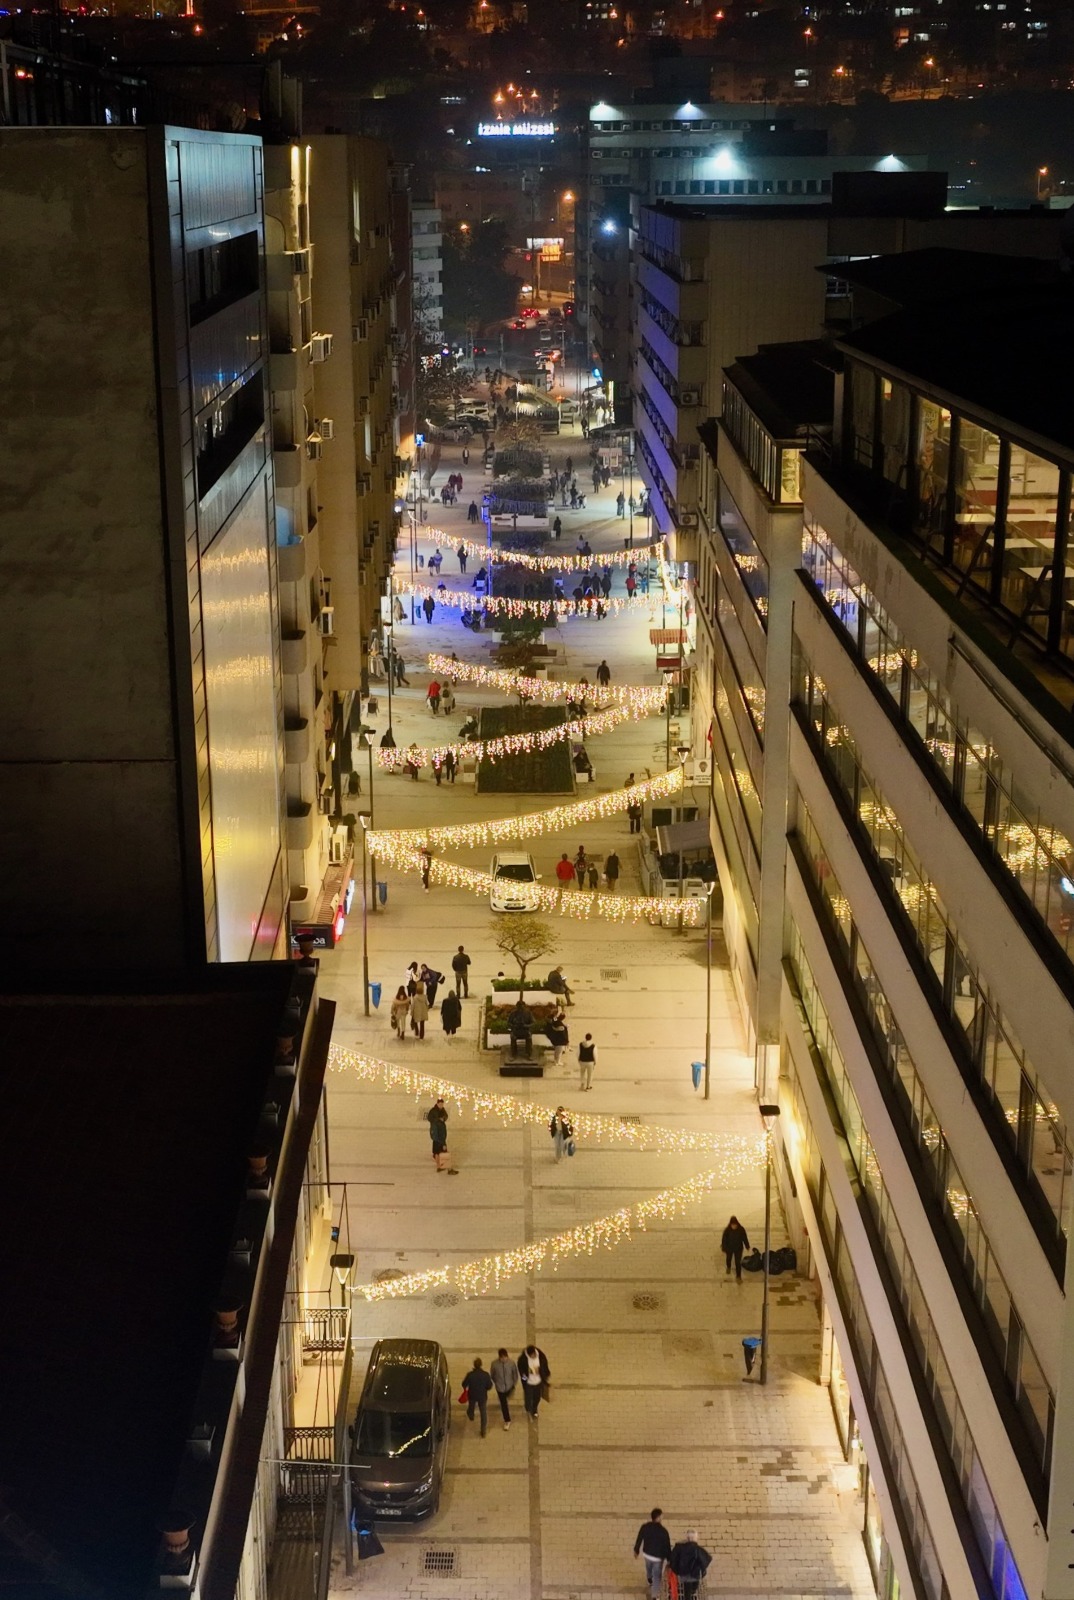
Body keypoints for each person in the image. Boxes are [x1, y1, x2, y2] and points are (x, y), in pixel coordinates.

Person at [634, 1510, 673, 1600]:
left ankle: (649, 1578)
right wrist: (669, 1559)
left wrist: (636, 1550)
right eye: (661, 1516)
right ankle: (654, 1596)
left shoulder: (645, 1527)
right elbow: (667, 1546)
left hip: (647, 1554)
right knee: (657, 1577)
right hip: (658, 1558)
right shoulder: (663, 1531)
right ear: (658, 1517)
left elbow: (639, 1538)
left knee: (648, 1566)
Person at [669, 1531, 712, 1600]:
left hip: (683, 1574)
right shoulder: (698, 1549)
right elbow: (707, 1559)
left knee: (686, 1592)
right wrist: (702, 1569)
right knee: (693, 1590)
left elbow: (672, 1559)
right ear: (695, 1538)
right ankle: (693, 1593)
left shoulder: (679, 1548)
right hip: (695, 1574)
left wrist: (677, 1571)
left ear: (687, 1538)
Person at [462, 1357, 494, 1436]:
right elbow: (489, 1386)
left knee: (471, 1406)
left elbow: (464, 1384)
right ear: (481, 1365)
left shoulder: (470, 1375)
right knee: (483, 1412)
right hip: (482, 1396)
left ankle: (471, 1415)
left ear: (474, 1365)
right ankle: (483, 1430)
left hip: (472, 1395)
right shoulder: (485, 1374)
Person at [517, 1344, 550, 1418]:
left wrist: (544, 1374)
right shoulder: (523, 1359)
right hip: (529, 1383)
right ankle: (528, 1408)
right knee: (528, 1398)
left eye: (534, 1355)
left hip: (538, 1382)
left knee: (537, 1397)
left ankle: (534, 1409)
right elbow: (521, 1372)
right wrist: (525, 1378)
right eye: (532, 1356)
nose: (533, 1357)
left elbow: (545, 1366)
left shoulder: (541, 1356)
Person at [491, 1348, 519, 1430]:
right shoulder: (494, 1364)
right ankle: (507, 1420)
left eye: (505, 1357)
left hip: (510, 1386)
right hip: (500, 1388)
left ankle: (506, 1397)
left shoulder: (511, 1363)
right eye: (502, 1358)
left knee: (507, 1397)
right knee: (504, 1404)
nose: (504, 1359)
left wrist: (514, 1383)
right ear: (499, 1357)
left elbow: (515, 1374)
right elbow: (492, 1375)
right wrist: (497, 1382)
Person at [722, 1215, 751, 1280]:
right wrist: (724, 1247)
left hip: (738, 1248)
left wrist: (747, 1245)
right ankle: (728, 1267)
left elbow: (744, 1238)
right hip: (729, 1248)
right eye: (732, 1225)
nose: (734, 1226)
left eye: (735, 1225)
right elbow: (724, 1239)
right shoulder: (727, 1230)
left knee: (738, 1262)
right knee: (728, 1258)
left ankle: (738, 1275)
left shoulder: (741, 1229)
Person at [426, 1096, 448, 1166]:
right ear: (437, 1104)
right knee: (437, 1150)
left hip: (441, 1133)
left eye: (442, 1104)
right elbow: (429, 1118)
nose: (441, 1105)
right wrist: (438, 1119)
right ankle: (439, 1165)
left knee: (442, 1149)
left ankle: (443, 1164)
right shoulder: (433, 1111)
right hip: (436, 1133)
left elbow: (446, 1116)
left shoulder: (443, 1110)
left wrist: (443, 1119)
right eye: (440, 1104)